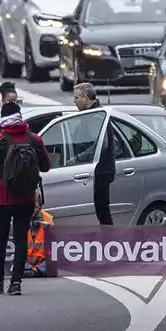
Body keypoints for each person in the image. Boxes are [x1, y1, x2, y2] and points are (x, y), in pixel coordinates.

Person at [0, 107, 52, 295]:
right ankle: (16, 283)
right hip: (26, 196)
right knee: (21, 238)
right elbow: (46, 166)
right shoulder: (34, 139)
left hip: (1, 197)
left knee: (1, 238)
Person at [72, 82, 117, 225]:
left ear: (86, 98)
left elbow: (99, 145)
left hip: (100, 171)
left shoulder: (95, 117)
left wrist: (77, 159)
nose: (74, 101)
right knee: (100, 210)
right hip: (97, 170)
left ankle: (109, 243)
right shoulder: (92, 114)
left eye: (77, 98)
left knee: (102, 211)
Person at [24, 188, 52, 278]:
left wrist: (46, 227)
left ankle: (36, 271)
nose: (30, 210)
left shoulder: (47, 219)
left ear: (39, 207)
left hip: (42, 261)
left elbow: (56, 244)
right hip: (27, 261)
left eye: (34, 207)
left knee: (51, 262)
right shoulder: (21, 219)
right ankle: (28, 270)